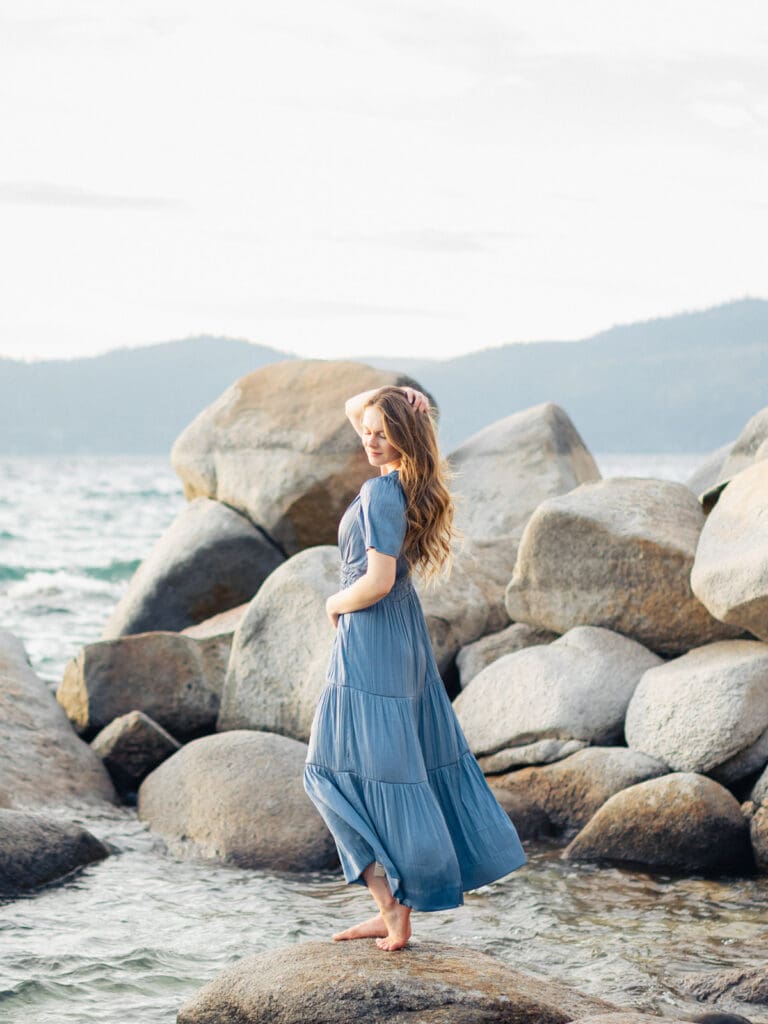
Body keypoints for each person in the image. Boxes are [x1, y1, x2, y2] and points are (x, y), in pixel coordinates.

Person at [303, 384, 526, 952]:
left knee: (328, 771)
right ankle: (395, 905)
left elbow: (375, 583)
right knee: (396, 764)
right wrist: (398, 400)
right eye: (369, 432)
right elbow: (354, 406)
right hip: (397, 632)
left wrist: (333, 603)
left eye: (384, 433)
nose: (370, 440)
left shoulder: (382, 493)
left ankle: (395, 908)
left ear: (405, 438)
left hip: (374, 633)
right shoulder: (407, 485)